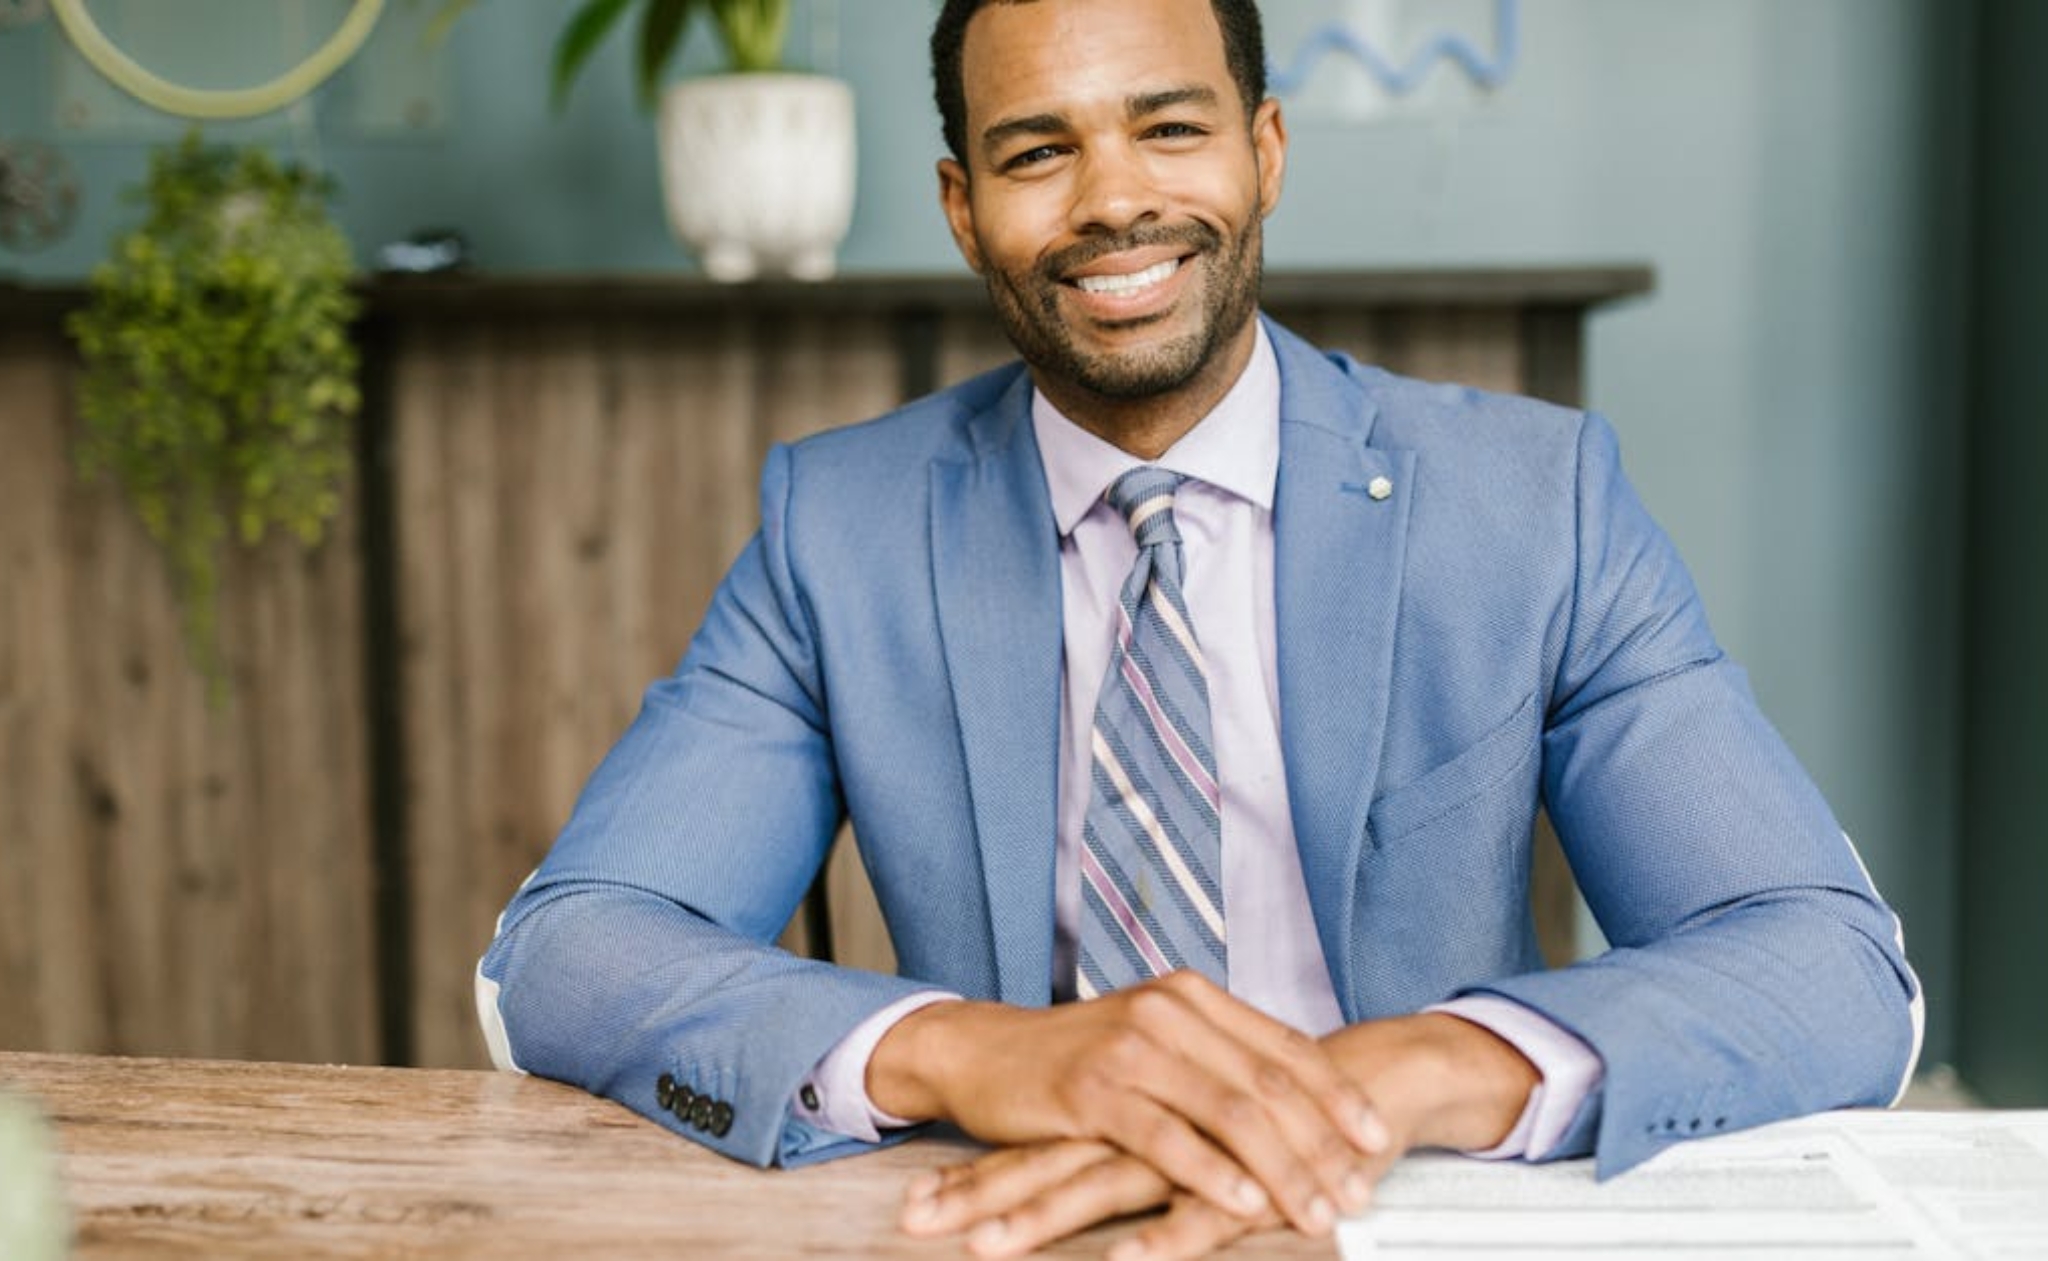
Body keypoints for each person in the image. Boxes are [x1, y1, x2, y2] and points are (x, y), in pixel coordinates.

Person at [477, 0, 1923, 1256]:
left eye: (1169, 128)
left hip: (1409, 1210)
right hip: (1011, 1218)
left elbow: (1832, 966)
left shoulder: (1534, 504)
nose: (1112, 200)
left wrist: (1409, 1068)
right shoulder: (838, 530)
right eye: (1038, 150)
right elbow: (564, 953)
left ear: (1266, 152)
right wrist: (981, 1053)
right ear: (962, 205)